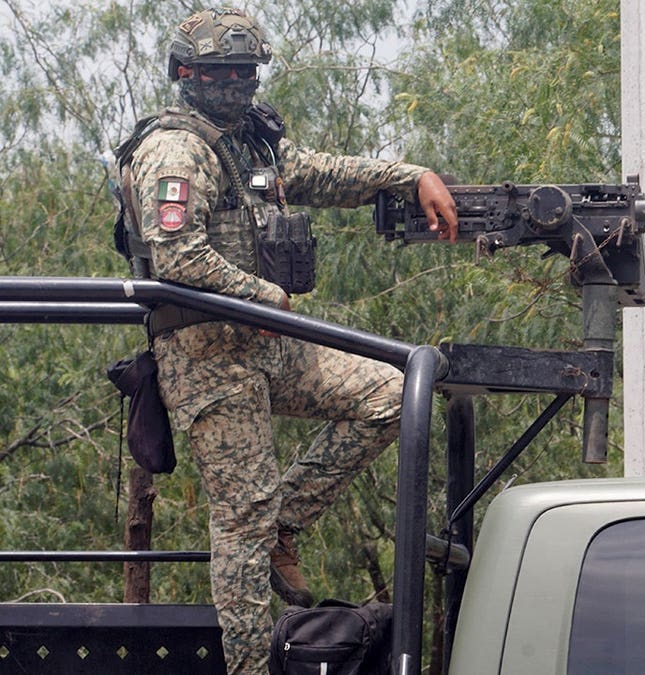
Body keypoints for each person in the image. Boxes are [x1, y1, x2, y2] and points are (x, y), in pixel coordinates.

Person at [113, 7, 458, 673]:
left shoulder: (251, 143)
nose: (235, 84)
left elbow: (321, 173)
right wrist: (263, 293)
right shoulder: (176, 151)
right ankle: (247, 666)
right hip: (208, 356)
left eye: (245, 71)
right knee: (241, 518)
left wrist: (408, 175)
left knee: (392, 395)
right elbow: (178, 257)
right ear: (184, 74)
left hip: (267, 343)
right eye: (220, 73)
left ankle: (285, 522)